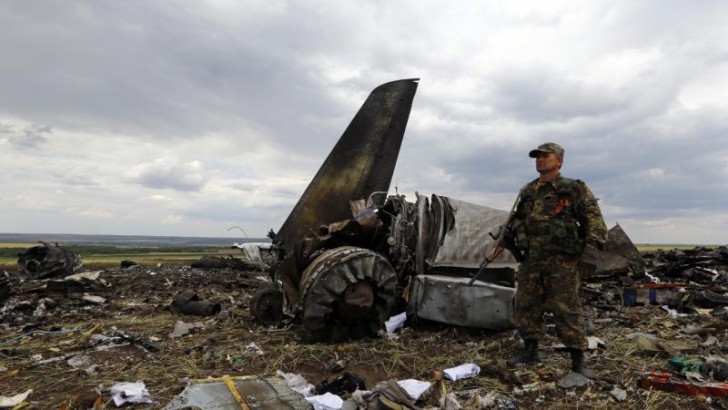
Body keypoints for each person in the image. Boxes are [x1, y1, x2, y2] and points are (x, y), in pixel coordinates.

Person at [506, 142, 607, 379]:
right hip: (532, 259)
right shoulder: (528, 190)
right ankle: (530, 350)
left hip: (562, 260)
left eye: (545, 156)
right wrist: (518, 231)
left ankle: (577, 360)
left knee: (567, 308)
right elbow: (518, 218)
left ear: (559, 161)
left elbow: (593, 218)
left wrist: (590, 252)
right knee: (526, 305)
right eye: (537, 157)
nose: (540, 160)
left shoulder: (572, 188)